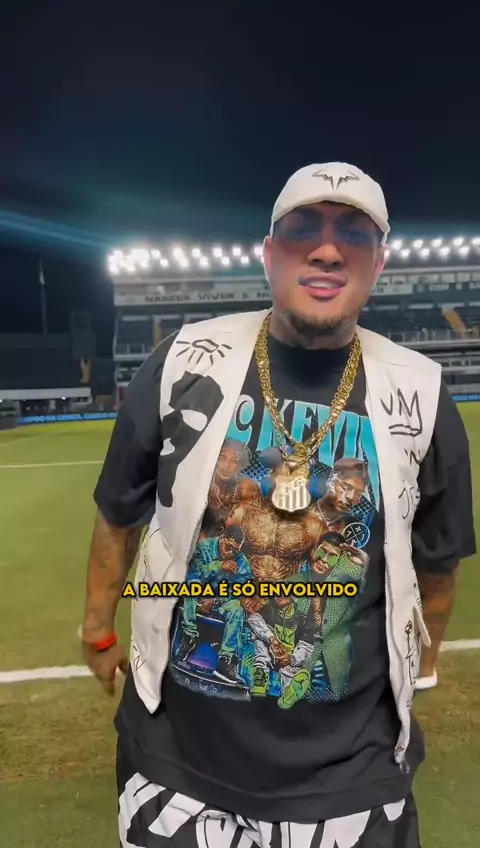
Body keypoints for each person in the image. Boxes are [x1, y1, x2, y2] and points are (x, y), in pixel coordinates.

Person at [82, 161, 475, 847]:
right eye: (303, 229)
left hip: (353, 778)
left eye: (354, 234)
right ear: (268, 254)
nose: (327, 249)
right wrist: (98, 630)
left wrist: (421, 664)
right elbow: (119, 513)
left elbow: (438, 566)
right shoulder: (184, 362)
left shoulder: (422, 393)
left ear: (378, 264)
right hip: (177, 765)